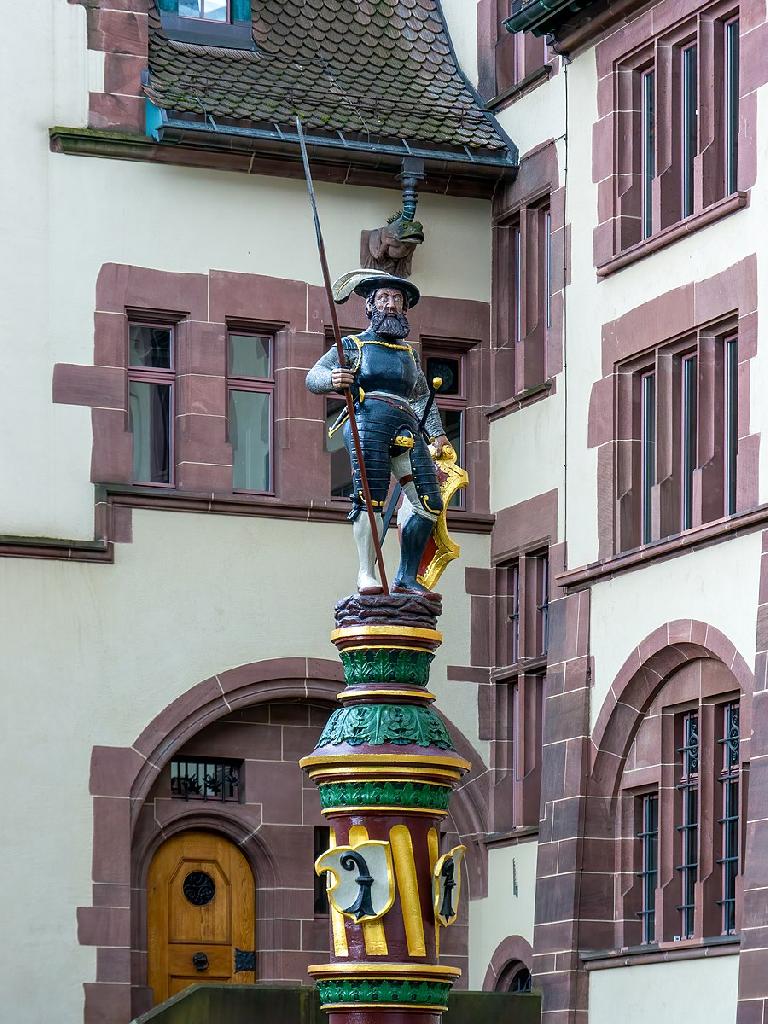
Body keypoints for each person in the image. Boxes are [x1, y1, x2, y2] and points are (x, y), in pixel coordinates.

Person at [306, 271, 449, 596]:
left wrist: (437, 433)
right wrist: (334, 379)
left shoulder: (409, 355)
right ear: (370, 305)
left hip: (407, 424)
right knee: (371, 500)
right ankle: (366, 573)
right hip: (368, 419)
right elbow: (314, 376)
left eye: (397, 300)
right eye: (384, 298)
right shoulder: (353, 345)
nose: (391, 305)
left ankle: (407, 576)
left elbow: (422, 395)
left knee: (429, 502)